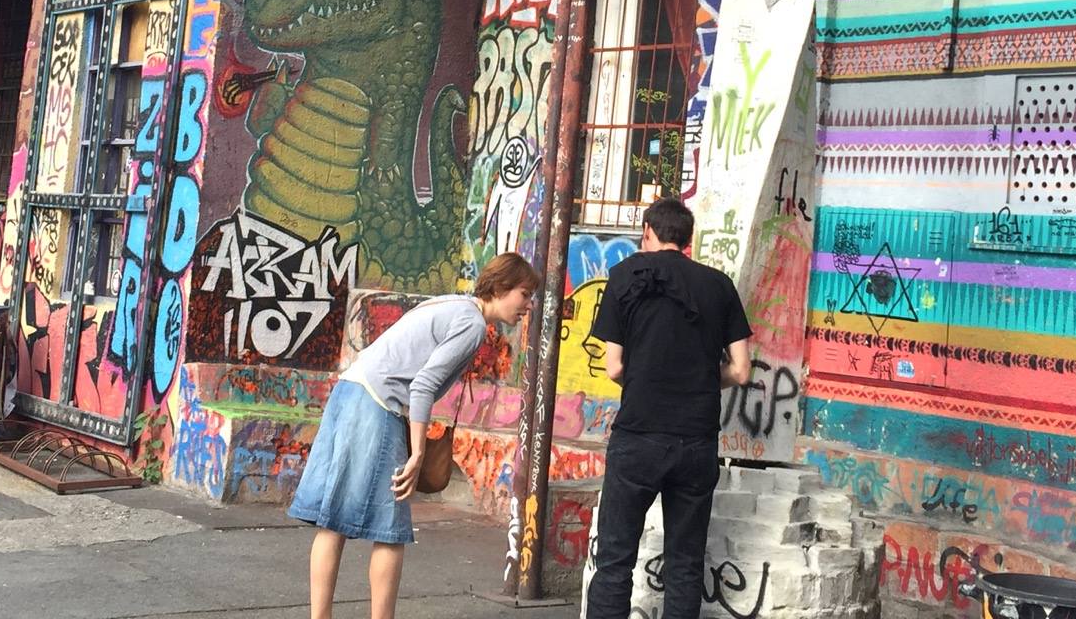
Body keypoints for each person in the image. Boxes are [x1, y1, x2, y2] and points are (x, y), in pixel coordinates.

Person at [288, 252, 541, 619]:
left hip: (350, 391)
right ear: (501, 288)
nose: (528, 305)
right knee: (389, 529)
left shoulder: (454, 304)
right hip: (376, 403)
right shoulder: (471, 323)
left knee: (333, 521)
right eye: (524, 294)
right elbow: (422, 386)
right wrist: (418, 453)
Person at [586, 197, 752, 619]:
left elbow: (614, 367)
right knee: (685, 565)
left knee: (614, 562)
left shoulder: (625, 276)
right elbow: (741, 370)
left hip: (638, 436)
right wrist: (699, 378)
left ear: (648, 232)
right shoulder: (719, 285)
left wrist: (648, 376)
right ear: (687, 238)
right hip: (696, 442)